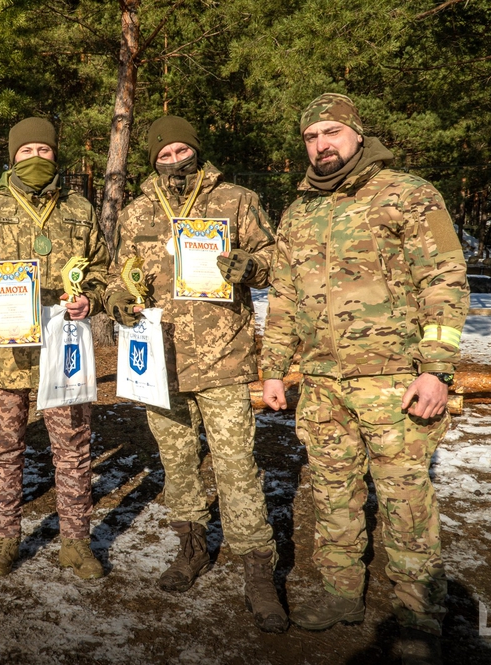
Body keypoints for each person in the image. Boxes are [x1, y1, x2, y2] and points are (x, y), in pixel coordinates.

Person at [261, 93, 468, 663]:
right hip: (323, 383)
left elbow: (444, 280)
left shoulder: (407, 194)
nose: (320, 145)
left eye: (330, 132)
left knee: (405, 500)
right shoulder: (299, 211)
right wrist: (273, 369)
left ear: (355, 133)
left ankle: (419, 615)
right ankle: (340, 592)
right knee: (333, 492)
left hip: (395, 378)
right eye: (310, 137)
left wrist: (437, 370)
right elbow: (282, 297)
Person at [104, 115, 287, 633]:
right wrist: (119, 300)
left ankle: (257, 570)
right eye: (164, 154)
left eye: (182, 150)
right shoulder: (137, 210)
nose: (174, 159)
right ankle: (190, 549)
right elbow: (121, 274)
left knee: (235, 465)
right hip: (157, 360)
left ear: (196, 151)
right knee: (177, 461)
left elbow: (276, 262)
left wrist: (247, 267)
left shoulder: (236, 200)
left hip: (223, 357)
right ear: (153, 160)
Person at [0, 117, 110, 579]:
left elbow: (102, 269)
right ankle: (4, 539)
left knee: (75, 450)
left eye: (44, 150)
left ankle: (76, 543)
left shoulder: (80, 209)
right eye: (26, 151)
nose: (36, 158)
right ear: (12, 156)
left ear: (56, 155)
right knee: (2, 451)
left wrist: (91, 297)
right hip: (3, 356)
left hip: (66, 354)